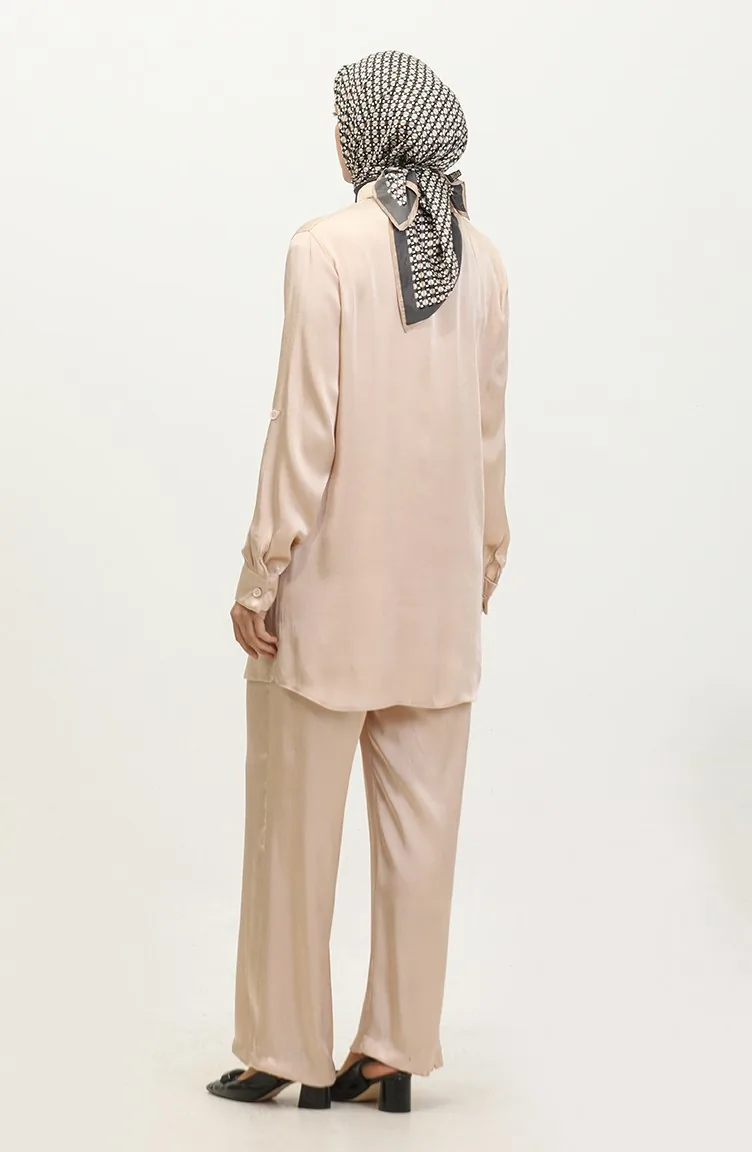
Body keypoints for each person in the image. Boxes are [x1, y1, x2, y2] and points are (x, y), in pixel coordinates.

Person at [206, 49, 510, 1115]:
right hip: (438, 603)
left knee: (292, 834)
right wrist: (484, 558)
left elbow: (304, 426)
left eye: (342, 119)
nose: (334, 137)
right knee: (423, 841)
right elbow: (488, 433)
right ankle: (392, 1052)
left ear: (370, 132)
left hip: (332, 599)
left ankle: (286, 1050)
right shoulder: (481, 259)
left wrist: (262, 570)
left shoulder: (323, 249)